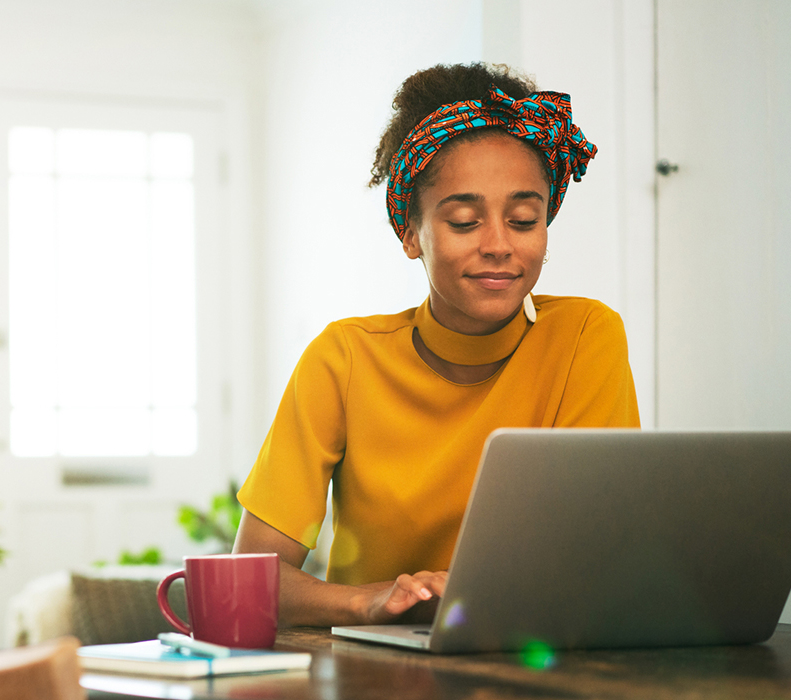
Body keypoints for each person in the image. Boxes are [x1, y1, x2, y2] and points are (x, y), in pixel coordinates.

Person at [233, 63, 640, 628]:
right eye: (465, 222)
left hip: (532, 662)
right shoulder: (344, 358)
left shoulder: (584, 337)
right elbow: (251, 576)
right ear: (409, 233)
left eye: (524, 219)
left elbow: (600, 557)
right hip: (372, 668)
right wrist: (370, 601)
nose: (500, 245)